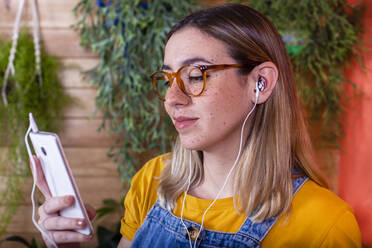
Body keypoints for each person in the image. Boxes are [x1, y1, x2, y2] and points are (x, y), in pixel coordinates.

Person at [33, 3, 361, 248]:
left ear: (260, 82)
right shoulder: (153, 181)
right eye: (166, 79)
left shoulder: (324, 224)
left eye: (195, 76)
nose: (172, 98)